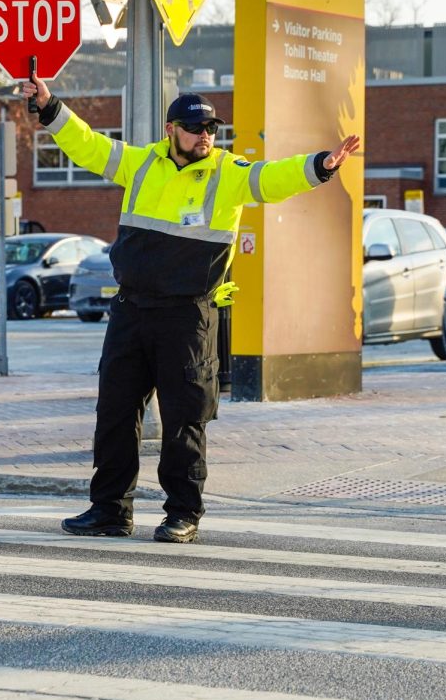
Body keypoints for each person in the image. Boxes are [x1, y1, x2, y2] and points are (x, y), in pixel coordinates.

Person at [19, 76, 360, 542]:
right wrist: (50, 106)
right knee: (115, 414)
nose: (205, 136)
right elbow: (88, 145)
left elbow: (273, 178)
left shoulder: (229, 172)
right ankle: (110, 511)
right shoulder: (141, 164)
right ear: (170, 129)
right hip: (130, 310)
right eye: (195, 127)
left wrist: (320, 165)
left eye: (211, 129)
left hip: (187, 316)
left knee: (185, 417)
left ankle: (183, 513)